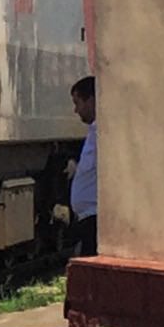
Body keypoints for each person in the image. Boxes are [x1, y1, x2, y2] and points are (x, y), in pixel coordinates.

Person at [67, 74, 98, 259]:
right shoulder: (94, 131)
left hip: (94, 217)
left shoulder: (103, 132)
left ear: (91, 100)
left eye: (78, 102)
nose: (76, 110)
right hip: (87, 217)